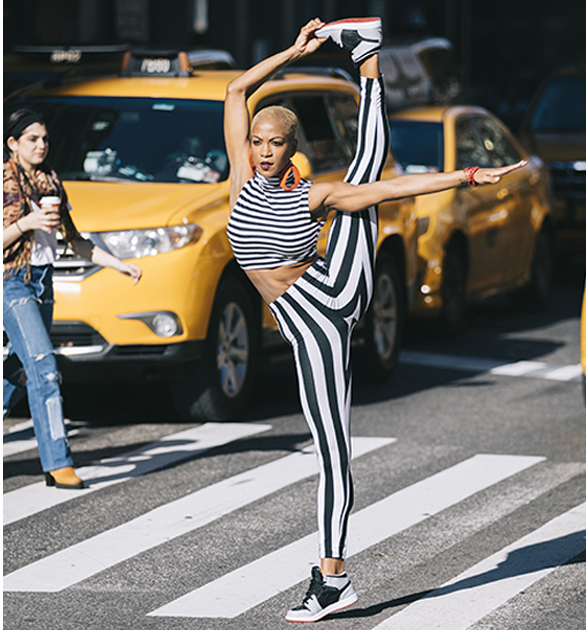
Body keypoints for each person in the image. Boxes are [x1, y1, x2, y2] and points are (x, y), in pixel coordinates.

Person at [223, 19, 525, 622]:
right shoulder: (238, 181)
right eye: (257, 141)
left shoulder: (311, 195)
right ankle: (368, 60)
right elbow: (235, 91)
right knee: (363, 170)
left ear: (292, 147)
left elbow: (398, 189)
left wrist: (466, 176)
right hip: (306, 308)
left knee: (331, 451)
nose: (263, 150)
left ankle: (333, 579)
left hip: (327, 309)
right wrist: (294, 52)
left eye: (275, 143)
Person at [2, 109, 142, 489]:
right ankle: (58, 463)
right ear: (13, 143)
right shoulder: (0, 181)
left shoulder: (51, 182)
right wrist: (24, 224)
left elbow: (76, 241)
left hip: (42, 283)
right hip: (11, 281)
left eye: (45, 139)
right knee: (45, 368)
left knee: (20, 372)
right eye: (32, 139)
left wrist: (118, 264)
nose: (41, 146)